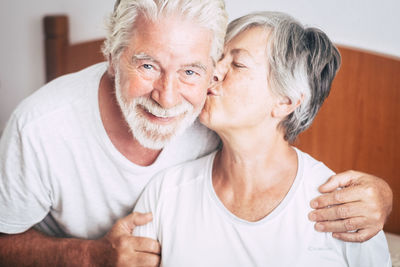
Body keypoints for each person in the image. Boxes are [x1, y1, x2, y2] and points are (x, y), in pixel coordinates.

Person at [0, 0, 392, 266]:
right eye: (148, 65)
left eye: (195, 69)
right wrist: (91, 258)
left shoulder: (341, 207)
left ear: (287, 101)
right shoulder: (44, 128)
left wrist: (385, 197)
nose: (170, 96)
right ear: (111, 56)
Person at [133, 11, 392, 266]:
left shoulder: (346, 209)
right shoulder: (166, 192)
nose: (213, 72)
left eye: (237, 64)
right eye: (217, 58)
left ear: (285, 102)